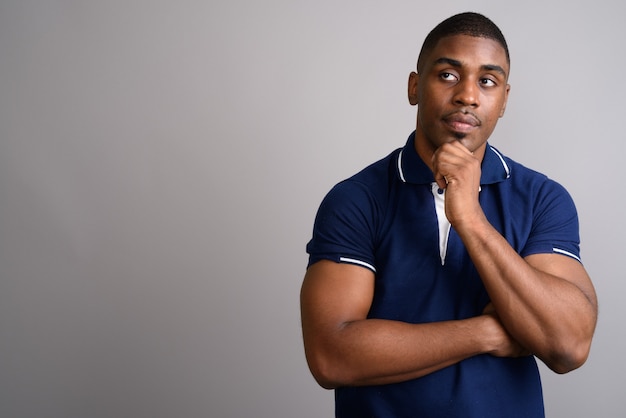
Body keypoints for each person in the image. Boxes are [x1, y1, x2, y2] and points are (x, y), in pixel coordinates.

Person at [300, 12, 597, 418]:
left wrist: (471, 219)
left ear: (504, 99)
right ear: (414, 86)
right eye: (448, 75)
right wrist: (488, 333)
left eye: (487, 81)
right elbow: (332, 356)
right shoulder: (356, 200)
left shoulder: (542, 198)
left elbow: (568, 345)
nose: (468, 96)